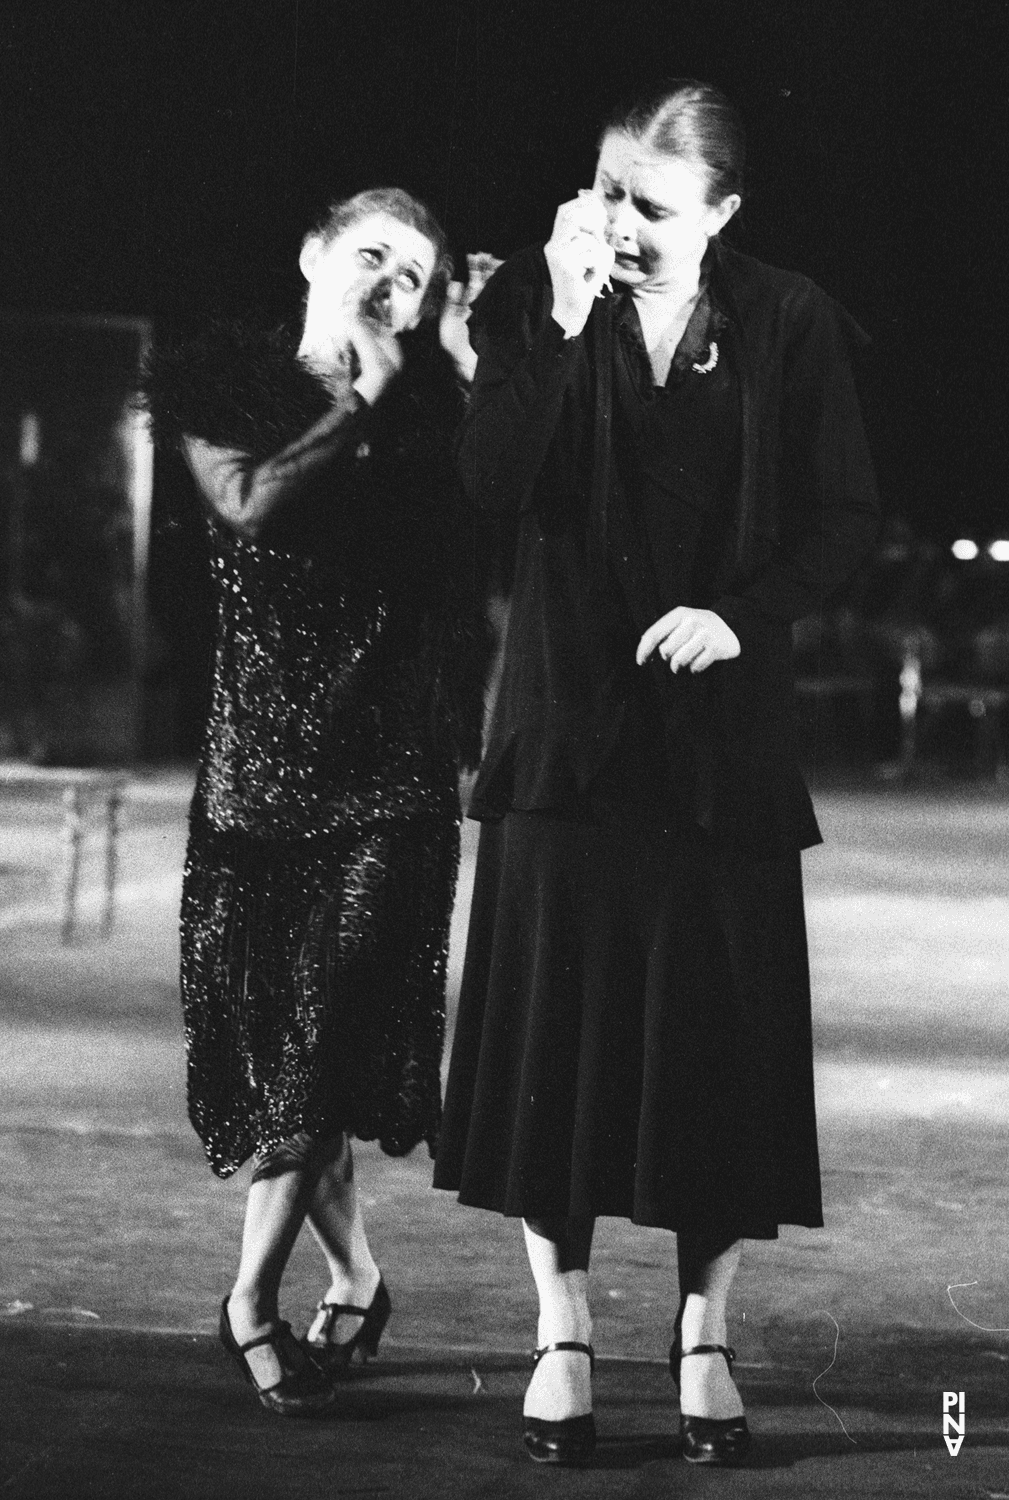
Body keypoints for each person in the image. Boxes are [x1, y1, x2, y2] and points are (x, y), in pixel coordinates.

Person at [433, 80, 879, 1466]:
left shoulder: (790, 320)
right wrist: (563, 325)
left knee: (716, 1056)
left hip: (717, 747)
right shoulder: (531, 302)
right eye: (608, 191)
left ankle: (703, 1333)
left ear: (723, 213)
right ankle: (560, 1328)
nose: (620, 224)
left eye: (655, 208)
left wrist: (742, 615)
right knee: (554, 1048)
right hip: (565, 732)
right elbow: (492, 486)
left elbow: (843, 517)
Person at [144, 188, 493, 1415]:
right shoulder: (223, 387)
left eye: (416, 274)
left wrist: (465, 371)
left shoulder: (434, 418)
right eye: (371, 256)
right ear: (312, 254)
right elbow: (250, 501)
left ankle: (247, 1304)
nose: (389, 283)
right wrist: (360, 400)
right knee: (294, 1057)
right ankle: (357, 1277)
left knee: (323, 1035)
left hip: (390, 778)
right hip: (256, 782)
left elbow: (501, 529)